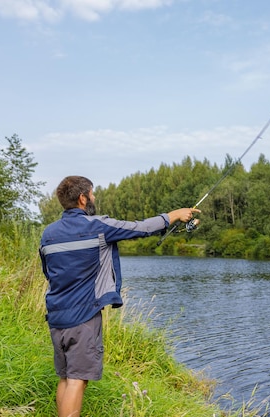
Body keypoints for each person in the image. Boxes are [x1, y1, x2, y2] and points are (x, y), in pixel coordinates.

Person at [39, 175, 200, 417]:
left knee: (65, 377)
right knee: (78, 379)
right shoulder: (96, 226)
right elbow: (140, 228)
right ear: (83, 198)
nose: (94, 198)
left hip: (56, 317)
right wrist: (174, 215)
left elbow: (47, 272)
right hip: (82, 317)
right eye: (92, 194)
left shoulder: (48, 234)